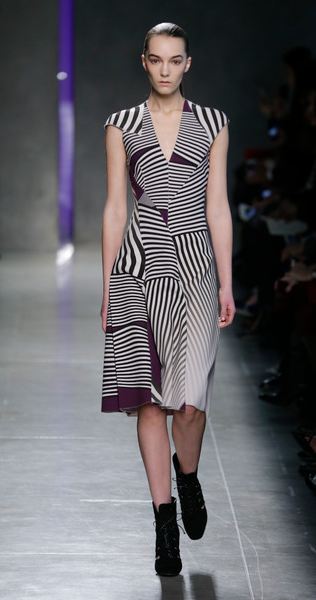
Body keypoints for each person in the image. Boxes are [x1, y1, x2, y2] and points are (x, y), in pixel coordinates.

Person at [100, 22, 235, 577]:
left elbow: (218, 206)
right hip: (139, 265)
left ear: (187, 64)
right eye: (156, 59)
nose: (164, 69)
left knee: (191, 404)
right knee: (150, 401)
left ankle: (188, 474)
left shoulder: (213, 123)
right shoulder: (121, 125)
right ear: (144, 61)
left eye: (174, 60)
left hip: (196, 264)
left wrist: (226, 282)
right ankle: (164, 521)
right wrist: (108, 285)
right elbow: (115, 208)